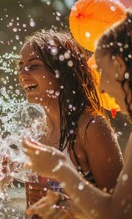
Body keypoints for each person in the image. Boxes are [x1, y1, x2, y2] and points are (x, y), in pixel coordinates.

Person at [23, 7, 132, 219]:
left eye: (102, 72)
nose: (102, 88)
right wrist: (69, 207)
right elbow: (121, 208)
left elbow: (120, 215)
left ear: (119, 65)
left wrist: (60, 168)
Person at [18, 30, 124, 218]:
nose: (23, 74)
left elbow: (120, 209)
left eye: (34, 66)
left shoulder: (91, 128)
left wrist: (64, 202)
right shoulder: (36, 133)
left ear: (61, 71)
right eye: (21, 66)